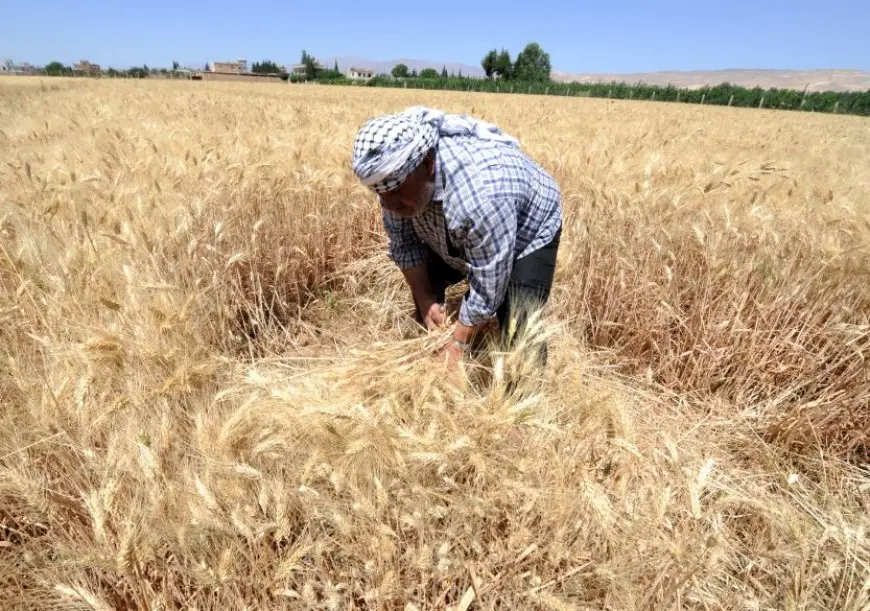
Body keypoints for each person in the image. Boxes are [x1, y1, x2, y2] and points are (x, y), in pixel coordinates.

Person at [351, 106, 562, 366]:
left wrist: (458, 343)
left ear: (428, 165)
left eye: (395, 191)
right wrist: (427, 301)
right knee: (426, 293)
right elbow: (405, 245)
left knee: (520, 323)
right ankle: (435, 347)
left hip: (529, 229)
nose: (388, 204)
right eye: (380, 194)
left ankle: (523, 394)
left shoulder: (480, 194)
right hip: (469, 224)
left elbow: (489, 279)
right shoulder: (398, 185)